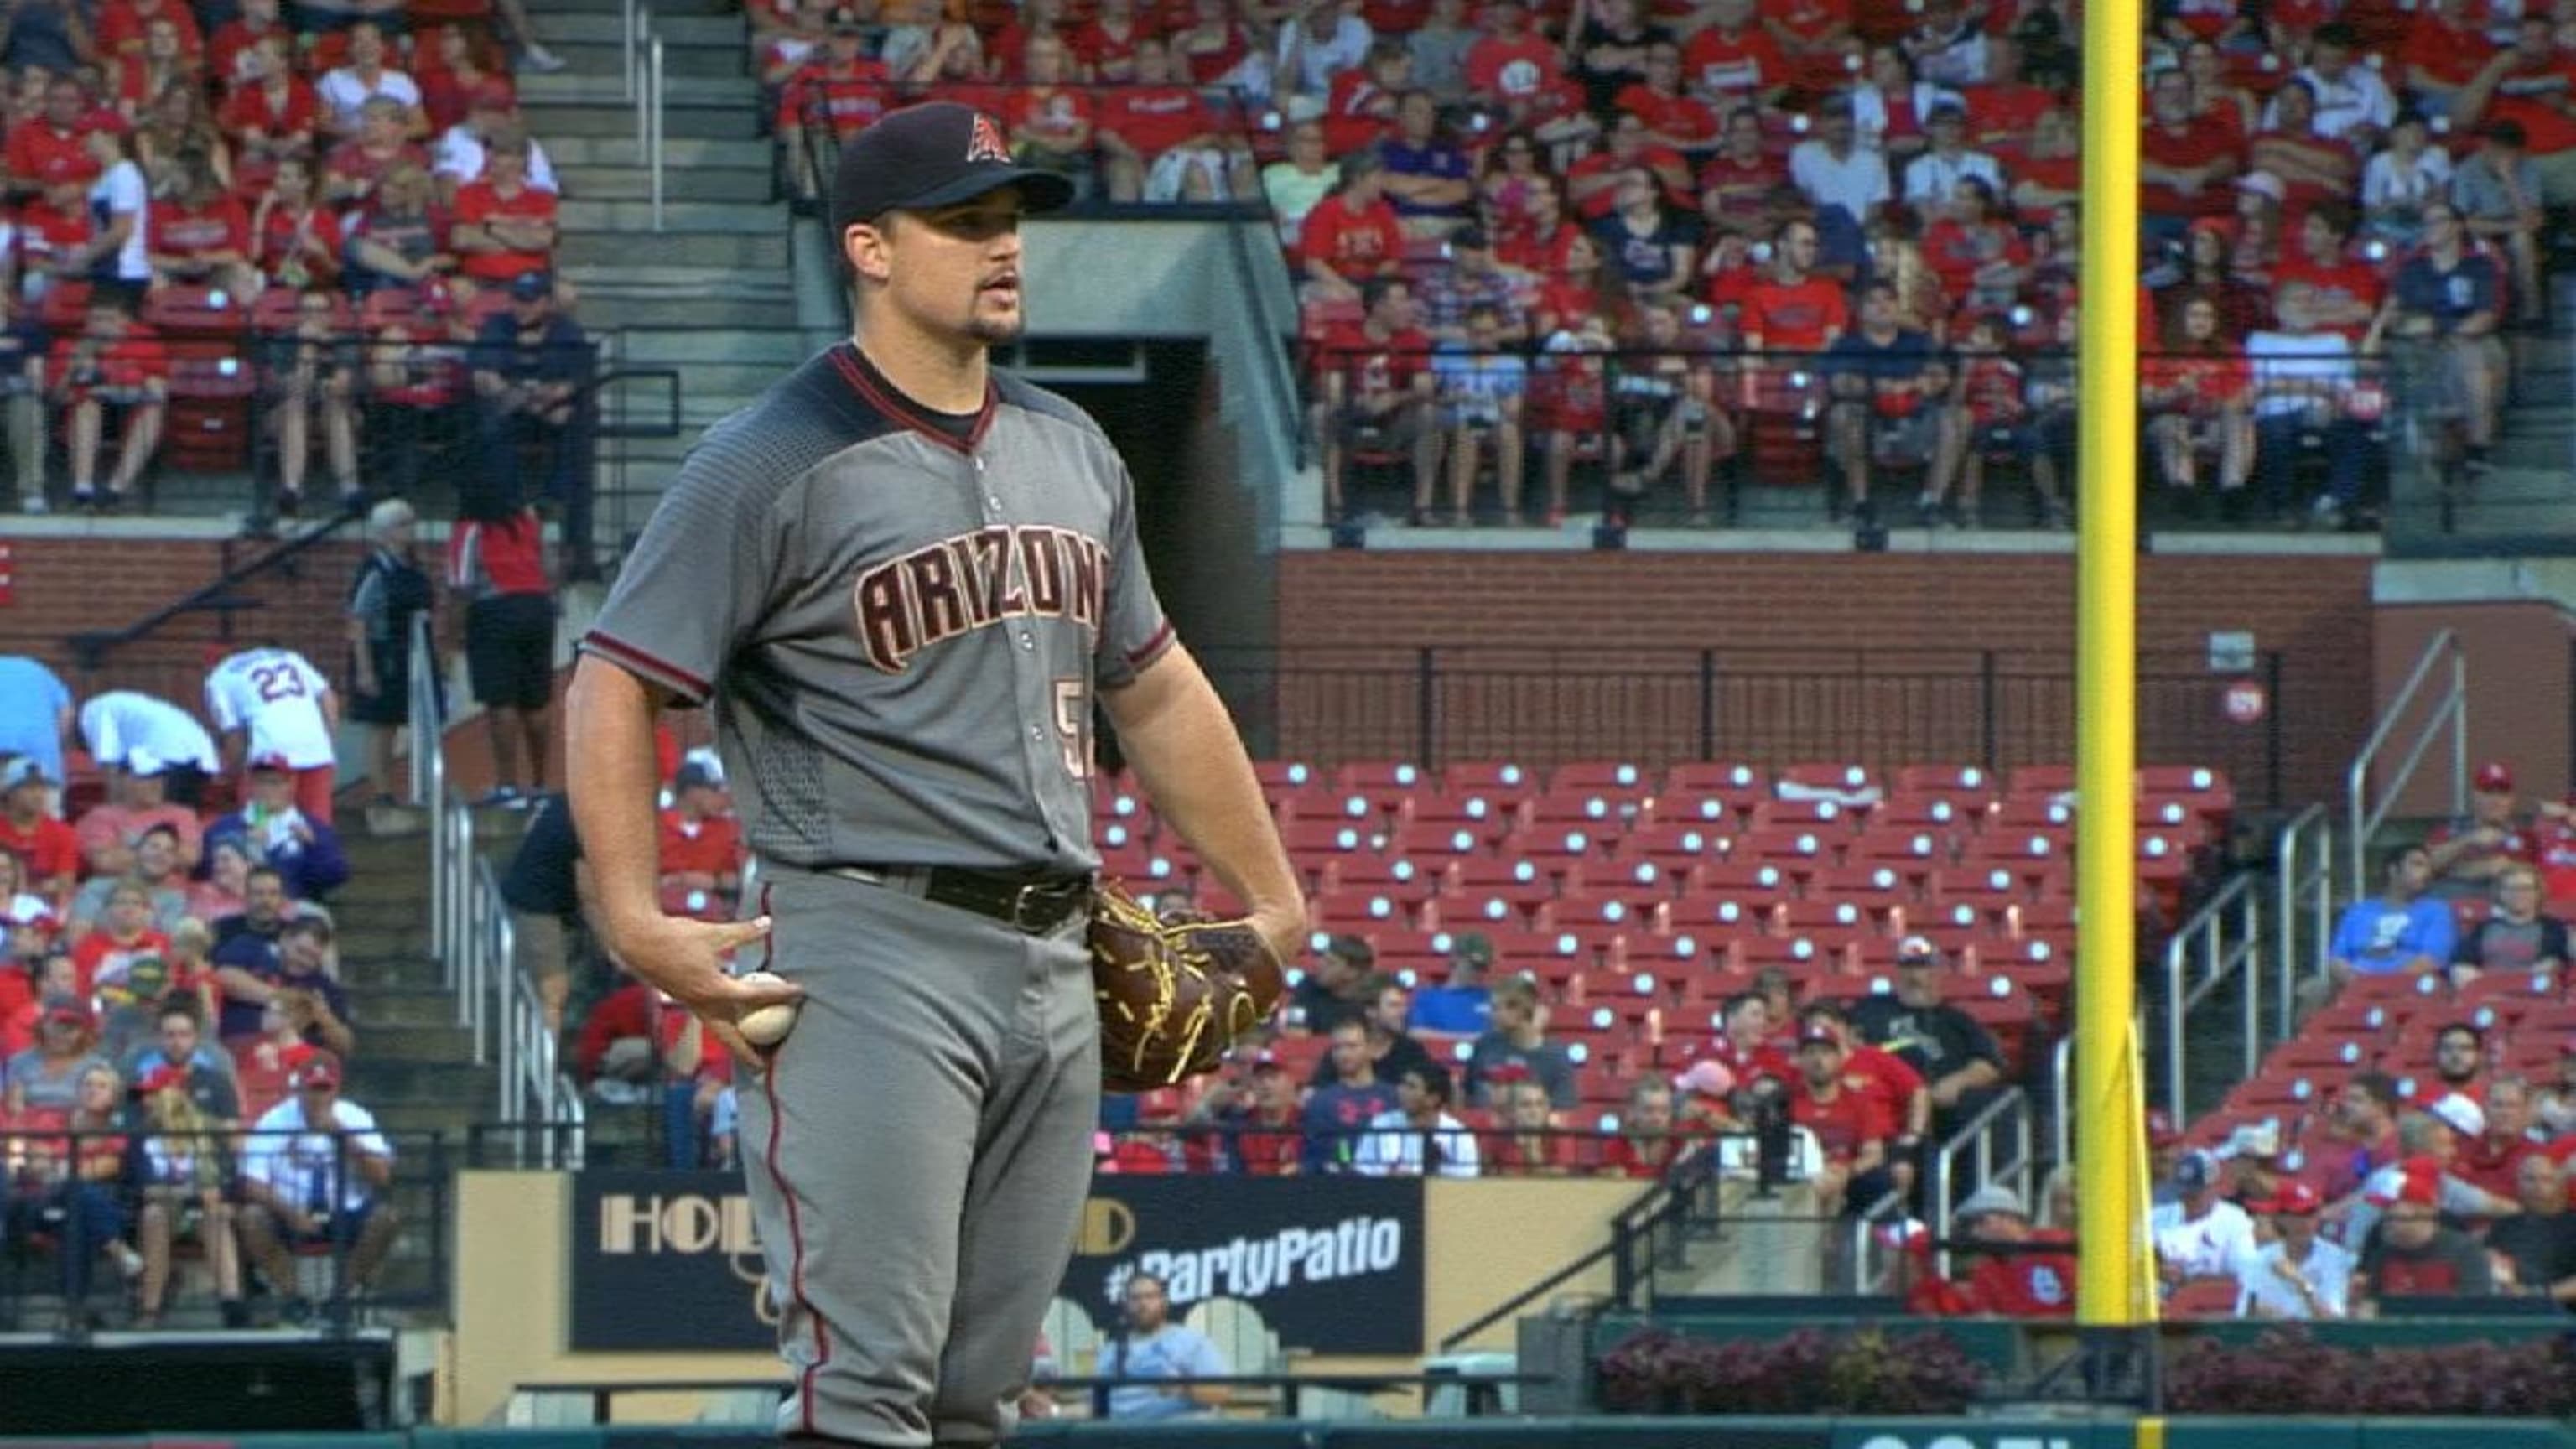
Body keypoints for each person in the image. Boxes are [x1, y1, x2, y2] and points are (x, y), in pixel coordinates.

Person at [562, 102, 1305, 1449]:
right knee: (865, 1387)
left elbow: (1154, 680)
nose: (1001, 245)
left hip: (1057, 950)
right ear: (871, 250)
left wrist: (1271, 893)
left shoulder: (1073, 447)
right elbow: (614, 680)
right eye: (963, 223)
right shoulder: (768, 458)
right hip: (866, 942)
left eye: (1008, 219)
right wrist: (633, 916)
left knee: (979, 1400)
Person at [235, 1050, 399, 1324]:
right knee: (251, 1218)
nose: (318, 1097)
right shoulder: (275, 1120)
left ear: (336, 1090)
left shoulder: (356, 1117)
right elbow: (252, 1183)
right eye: (312, 1089)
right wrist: (291, 1214)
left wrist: (343, 1137)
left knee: (387, 1218)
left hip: (346, 1209)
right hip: (289, 1209)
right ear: (299, 1088)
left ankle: (340, 1297)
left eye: (325, 1090)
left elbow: (382, 1177)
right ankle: (294, 1298)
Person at [468, 273, 595, 570]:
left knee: (575, 424)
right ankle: (509, 508)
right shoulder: (497, 326)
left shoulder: (567, 333)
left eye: (529, 300)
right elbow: (484, 381)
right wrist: (534, 398)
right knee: (491, 425)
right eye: (517, 299)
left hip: (551, 416)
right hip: (513, 414)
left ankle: (561, 510)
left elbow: (570, 386)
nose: (520, 307)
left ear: (547, 303)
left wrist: (522, 393)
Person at [445, 503, 555, 807]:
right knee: (537, 701)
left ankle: (508, 785)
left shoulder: (471, 526)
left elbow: (460, 585)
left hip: (494, 610)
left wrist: (449, 639)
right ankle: (539, 783)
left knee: (501, 700)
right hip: (538, 607)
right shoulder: (529, 518)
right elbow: (548, 565)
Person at [1845, 936, 2005, 1136]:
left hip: (1941, 1107)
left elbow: (1987, 1066)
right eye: (1908, 968)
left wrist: (1957, 1082)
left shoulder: (1957, 1020)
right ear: (1898, 971)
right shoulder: (1870, 1009)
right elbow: (1839, 1041)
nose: (1915, 976)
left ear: (1937, 972)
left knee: (1985, 1102)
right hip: (1881, 1100)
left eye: (1923, 968)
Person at [345, 499, 436, 808]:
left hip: (413, 652)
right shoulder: (374, 571)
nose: (410, 530)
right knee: (382, 724)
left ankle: (416, 789)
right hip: (383, 653)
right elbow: (358, 620)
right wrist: (365, 669)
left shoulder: (411, 568)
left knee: (403, 721)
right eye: (402, 524)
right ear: (385, 532)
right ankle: (382, 791)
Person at [204, 643, 339, 826]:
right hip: (316, 751)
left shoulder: (218, 678)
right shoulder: (288, 656)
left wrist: (235, 772)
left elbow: (232, 734)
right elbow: (327, 695)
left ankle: (261, 843)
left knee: (258, 821)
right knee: (317, 826)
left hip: (269, 756)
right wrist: (327, 741)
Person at [2315, 845, 2455, 1004]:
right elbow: (2337, 958)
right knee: (2313, 992)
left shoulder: (2437, 911)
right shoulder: (2359, 911)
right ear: (2393, 870)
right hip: (2356, 983)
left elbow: (2431, 960)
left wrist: (2384, 985)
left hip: (2408, 987)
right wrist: (2356, 982)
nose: (2426, 873)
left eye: (2428, 867)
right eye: (2417, 865)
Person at [1096, 1270, 1228, 1420]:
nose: (1143, 1304)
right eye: (1135, 1298)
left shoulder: (1192, 1342)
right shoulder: (1111, 1350)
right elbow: (1096, 1405)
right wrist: (1064, 1412)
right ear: (1126, 1304)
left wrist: (1182, 1389)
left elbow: (1221, 1393)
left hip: (1174, 1432)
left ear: (1163, 1301)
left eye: (1150, 1297)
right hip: (1118, 1433)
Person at [2231, 1179, 2350, 1319]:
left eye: (2311, 1213)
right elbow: (2246, 1312)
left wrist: (2301, 1283)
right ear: (2280, 1218)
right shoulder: (2259, 1259)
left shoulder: (2334, 1257)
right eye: (2297, 1214)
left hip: (2319, 1339)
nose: (2305, 1222)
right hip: (2269, 1337)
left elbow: (2333, 1321)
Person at [75, 691, 219, 807]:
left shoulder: (94, 713)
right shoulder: (110, 704)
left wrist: (112, 813)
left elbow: (110, 766)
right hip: (203, 755)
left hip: (170, 755)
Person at [1462, 974, 1575, 1109]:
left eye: (1496, 1008)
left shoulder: (1554, 1056)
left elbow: (1562, 1108)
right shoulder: (1485, 1044)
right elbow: (1467, 1095)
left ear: (1519, 1011)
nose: (1491, 1015)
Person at [1353, 1060, 1480, 1177]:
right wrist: (1389, 1175)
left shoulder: (1458, 1136)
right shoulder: (1382, 1125)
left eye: (1411, 1087)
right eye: (1402, 1084)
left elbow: (1467, 1181)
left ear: (1433, 1099)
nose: (1401, 1090)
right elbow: (1362, 1171)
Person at [0, 657, 73, 789]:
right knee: (48, 800)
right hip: (40, 745)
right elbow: (66, 710)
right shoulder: (38, 669)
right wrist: (55, 742)